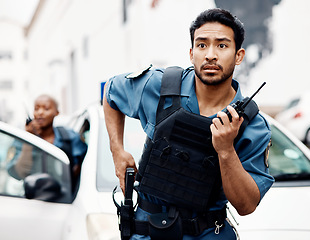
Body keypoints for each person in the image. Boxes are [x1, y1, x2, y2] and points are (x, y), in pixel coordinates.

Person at [103, 8, 274, 239]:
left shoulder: (252, 125)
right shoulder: (160, 86)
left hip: (208, 231)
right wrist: (117, 151)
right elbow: (111, 92)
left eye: (222, 46)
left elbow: (246, 206)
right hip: (148, 230)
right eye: (202, 45)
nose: (210, 55)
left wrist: (225, 150)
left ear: (239, 55)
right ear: (192, 53)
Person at [7, 94, 87, 185]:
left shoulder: (69, 136)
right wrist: (28, 138)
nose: (40, 112)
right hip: (34, 195)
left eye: (46, 109)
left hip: (66, 196)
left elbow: (83, 166)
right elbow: (19, 173)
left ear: (57, 112)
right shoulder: (23, 138)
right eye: (36, 109)